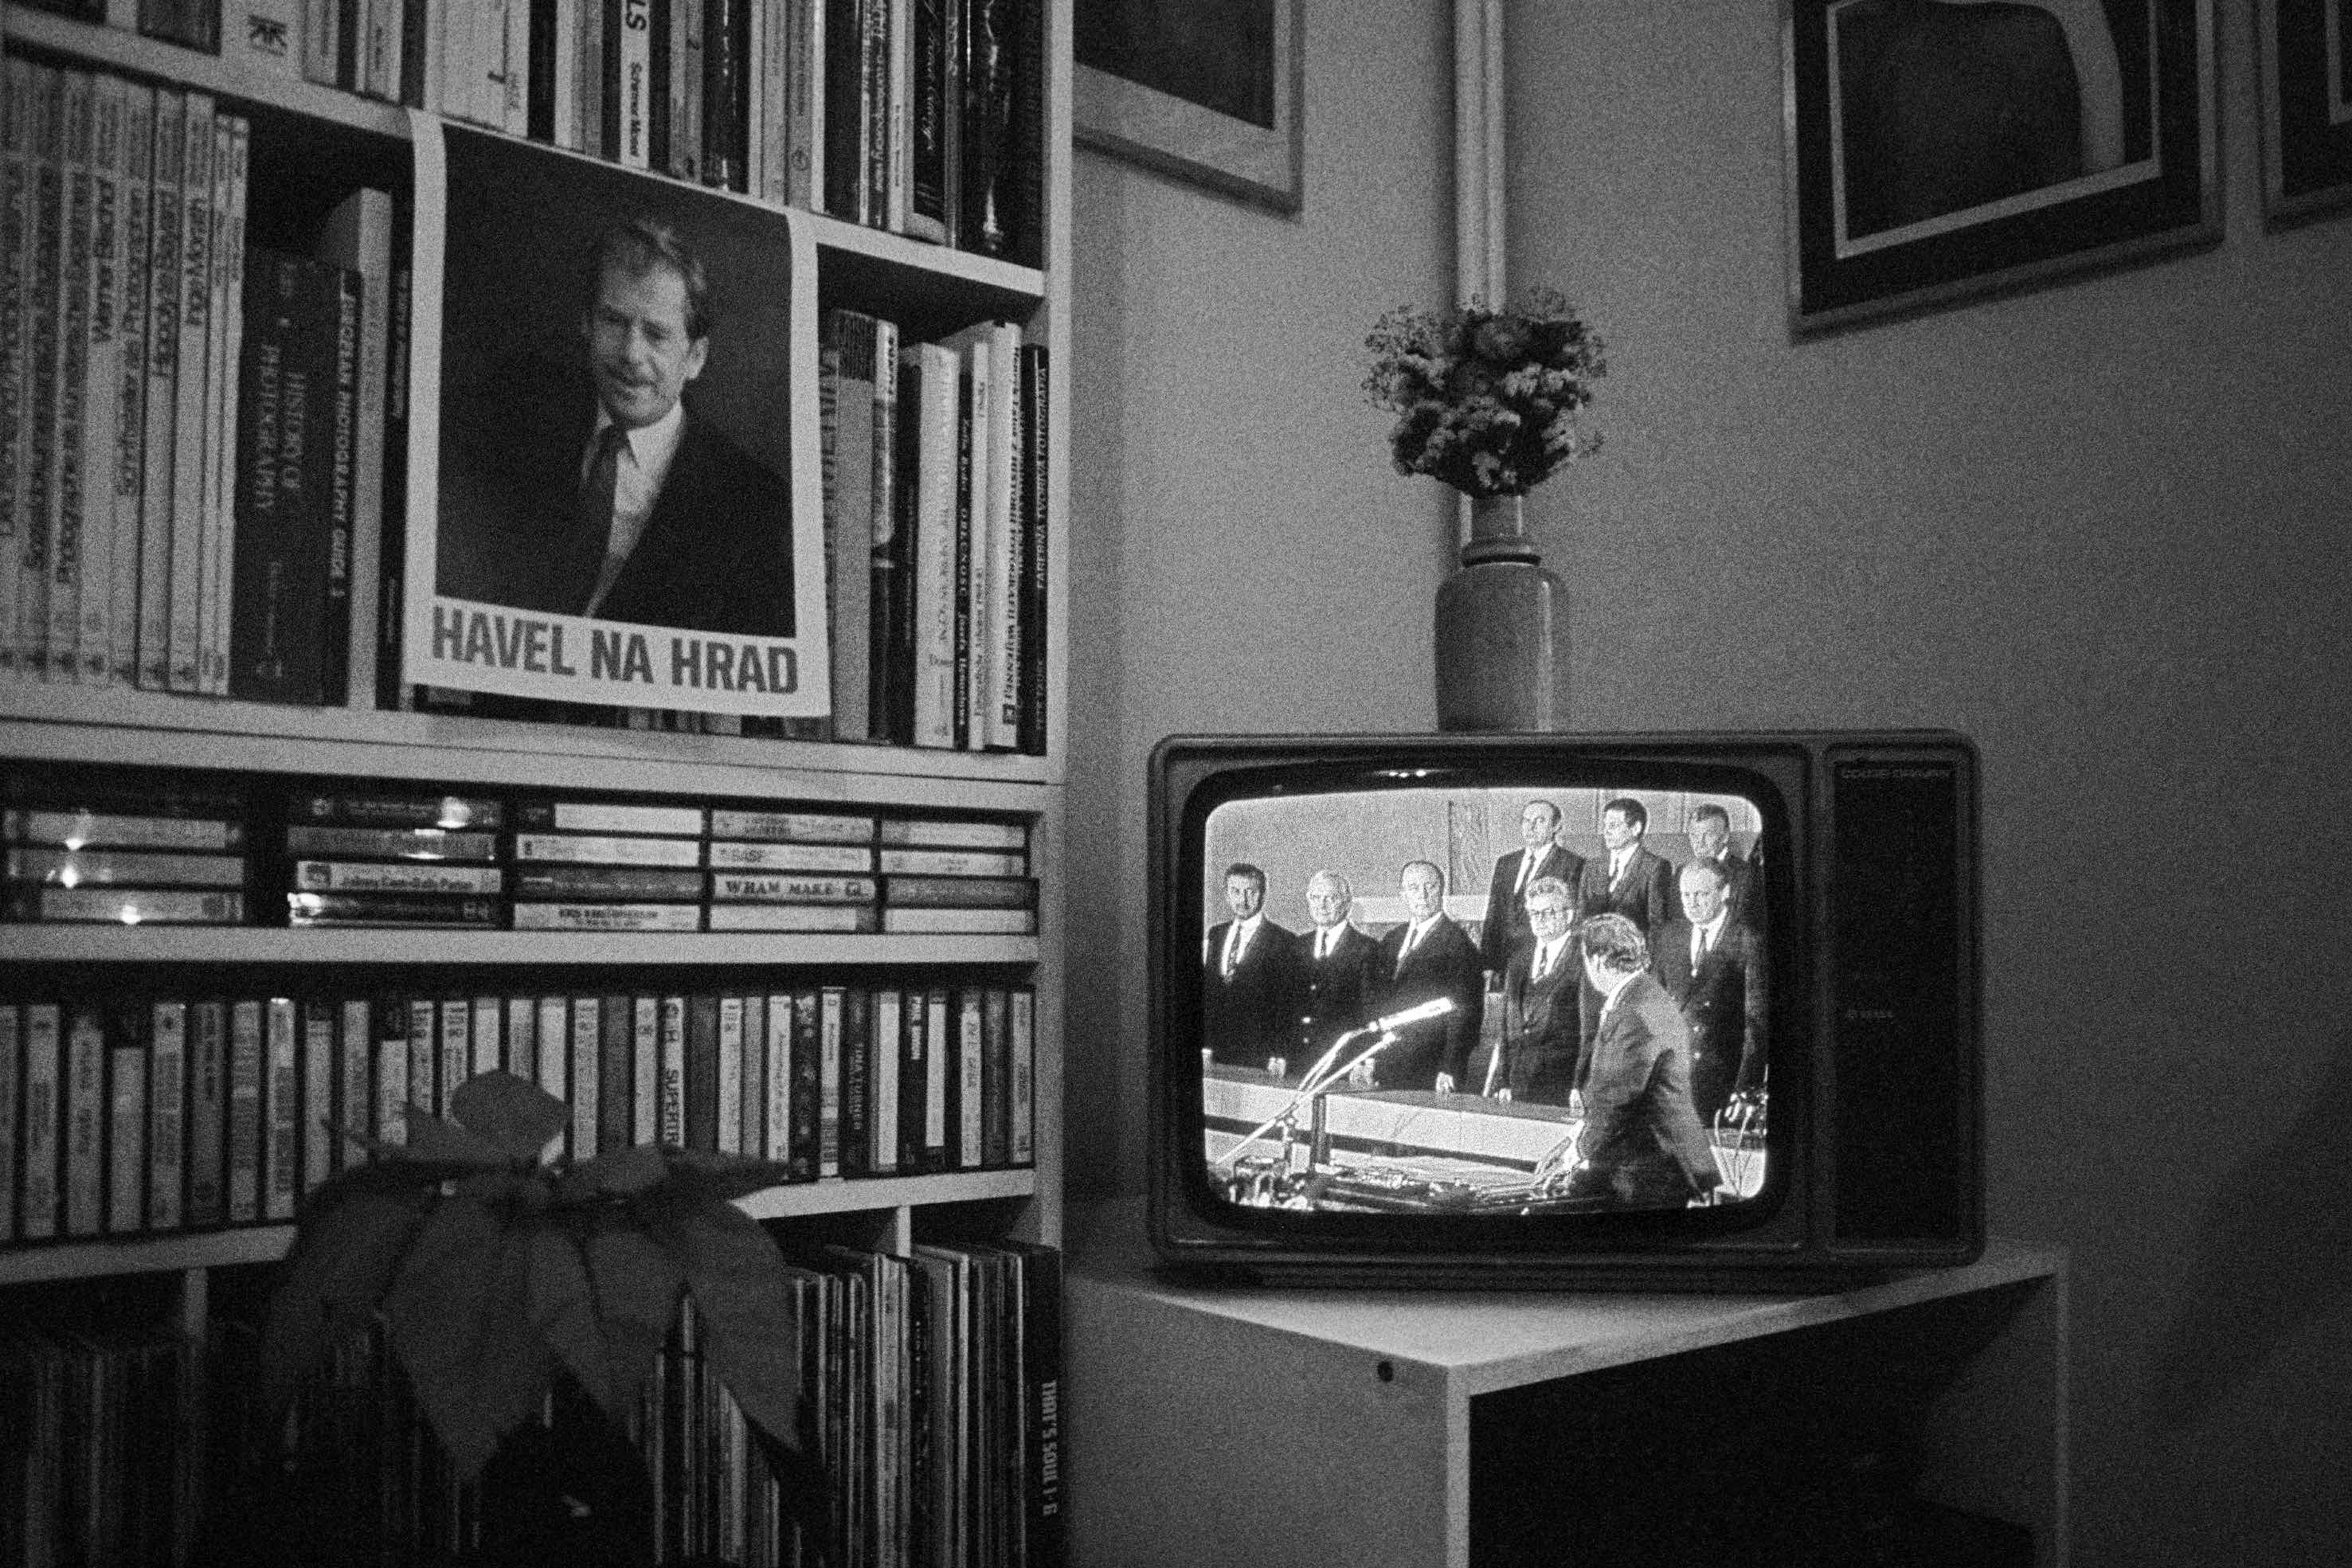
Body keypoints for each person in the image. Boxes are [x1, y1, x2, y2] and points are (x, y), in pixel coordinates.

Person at [436, 217, 797, 637]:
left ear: (695, 357)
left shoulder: (752, 506)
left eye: (656, 334)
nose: (631, 353)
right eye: (614, 321)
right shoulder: (512, 412)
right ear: (587, 324)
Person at [1540, 914, 1722, 1208]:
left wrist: (1572, 1158)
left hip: (1649, 1171)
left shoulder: (1632, 1012)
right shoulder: (1645, 994)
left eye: (1585, 960)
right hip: (1659, 1162)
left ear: (1598, 960)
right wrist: (1570, 1142)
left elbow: (1616, 1101)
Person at [1652, 859, 1768, 1124]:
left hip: (1720, 1086)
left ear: (1724, 892)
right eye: (1685, 895)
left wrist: (1743, 1092)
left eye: (1701, 894)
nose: (1691, 903)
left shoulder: (1748, 940)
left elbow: (1756, 1027)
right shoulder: (1671, 935)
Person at [1366, 860, 1485, 1093]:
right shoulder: (1392, 939)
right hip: (1388, 1059)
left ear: (1442, 890)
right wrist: (1369, 1057)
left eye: (1430, 886)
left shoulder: (1459, 944)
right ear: (1403, 894)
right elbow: (1375, 1000)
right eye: (1413, 888)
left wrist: (1450, 1067)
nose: (1422, 895)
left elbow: (1465, 1013)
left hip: (1430, 1067)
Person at [1491, 877, 1582, 1105]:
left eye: (1548, 912)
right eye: (1534, 913)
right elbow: (1506, 1026)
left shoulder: (1583, 959)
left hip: (1561, 1085)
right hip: (1517, 1084)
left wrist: (1579, 1085)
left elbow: (1591, 1031)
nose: (1540, 920)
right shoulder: (1518, 959)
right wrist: (1503, 1080)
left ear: (1569, 915)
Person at [1202, 862, 1298, 1069]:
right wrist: (1205, 1046)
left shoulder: (1283, 940)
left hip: (1259, 1054)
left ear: (1262, 895)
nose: (1243, 900)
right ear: (1227, 894)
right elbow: (1209, 993)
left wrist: (1279, 1055)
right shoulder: (1216, 934)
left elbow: (1287, 1005)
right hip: (1217, 1052)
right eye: (1235, 892)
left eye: (1251, 892)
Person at [1478, 799, 1586, 978]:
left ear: (1556, 826)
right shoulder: (1506, 863)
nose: (1531, 827)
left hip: (1543, 964)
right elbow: (1493, 915)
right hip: (1505, 965)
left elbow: (1574, 921)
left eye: (1540, 821)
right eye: (1526, 821)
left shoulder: (1573, 865)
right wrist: (1487, 963)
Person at [1293, 870, 1380, 1067]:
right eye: (1316, 898)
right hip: (1298, 1060)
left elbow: (1371, 1012)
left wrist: (1364, 1062)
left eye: (1331, 898)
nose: (1322, 905)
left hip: (1343, 1061)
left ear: (1347, 903)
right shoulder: (1298, 946)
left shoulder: (1366, 948)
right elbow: (1286, 1007)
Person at [1575, 796, 1677, 935]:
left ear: (1635, 828)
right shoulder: (1592, 866)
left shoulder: (1655, 867)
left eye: (1613, 825)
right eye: (1605, 825)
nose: (1606, 831)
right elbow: (1580, 919)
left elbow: (1658, 925)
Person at [1685, 802, 1759, 930]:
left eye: (1708, 835)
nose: (1700, 843)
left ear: (1725, 837)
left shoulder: (1746, 874)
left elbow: (1747, 927)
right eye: (1694, 835)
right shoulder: (1682, 871)